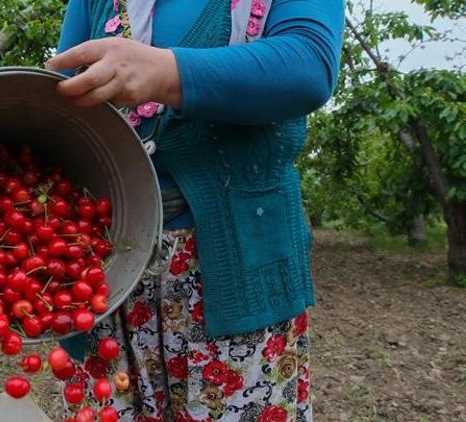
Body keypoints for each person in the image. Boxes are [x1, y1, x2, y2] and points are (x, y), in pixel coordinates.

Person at [45, 0, 343, 421]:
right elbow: (61, 99)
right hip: (104, 272)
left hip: (234, 274)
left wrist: (164, 71)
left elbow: (308, 64)